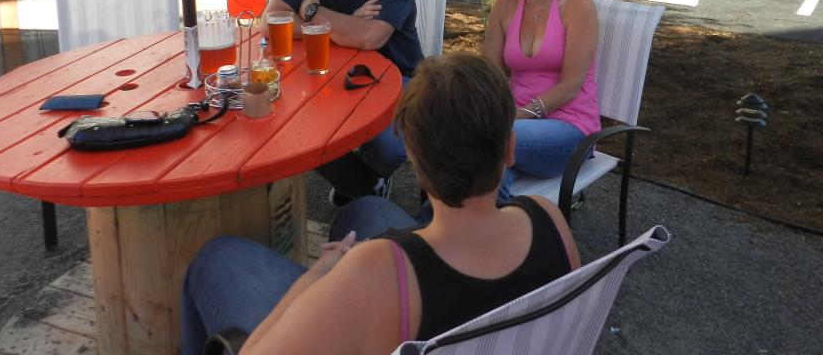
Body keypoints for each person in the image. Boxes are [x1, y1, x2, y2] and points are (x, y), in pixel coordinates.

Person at [180, 53, 580, 355]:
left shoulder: (379, 267)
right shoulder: (548, 220)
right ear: (510, 150)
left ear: (416, 163)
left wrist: (319, 273)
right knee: (362, 211)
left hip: (387, 295)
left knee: (216, 258)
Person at [263, 0, 423, 203]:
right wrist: (342, 25)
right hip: (330, 76)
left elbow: (371, 38)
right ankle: (365, 183)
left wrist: (313, 11)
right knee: (290, 124)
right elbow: (269, 22)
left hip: (398, 77)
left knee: (388, 148)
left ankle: (371, 174)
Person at [483, 0, 600, 202]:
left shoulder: (578, 6)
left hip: (570, 127)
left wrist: (515, 116)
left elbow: (571, 86)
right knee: (481, 173)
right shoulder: (505, 6)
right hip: (512, 125)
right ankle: (488, 223)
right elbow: (489, 74)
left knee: (486, 142)